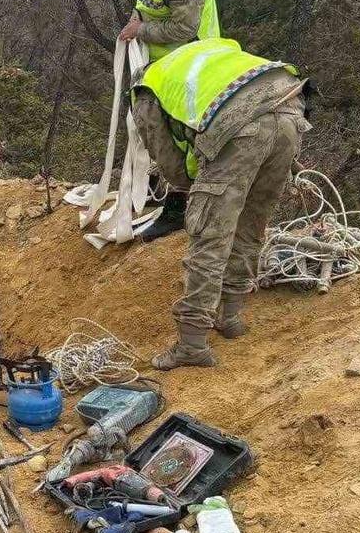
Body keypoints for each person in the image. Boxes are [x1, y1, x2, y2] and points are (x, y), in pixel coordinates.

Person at [130, 38, 311, 370]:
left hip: (242, 122)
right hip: (290, 107)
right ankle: (230, 317)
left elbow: (170, 163)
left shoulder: (145, 92)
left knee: (210, 234)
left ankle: (192, 344)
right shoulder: (205, 53)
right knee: (251, 224)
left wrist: (201, 191)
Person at [118, 0, 222, 242]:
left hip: (193, 56)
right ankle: (153, 184)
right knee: (147, 118)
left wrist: (141, 30)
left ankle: (181, 199)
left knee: (177, 126)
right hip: (160, 57)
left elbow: (184, 27)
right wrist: (137, 20)